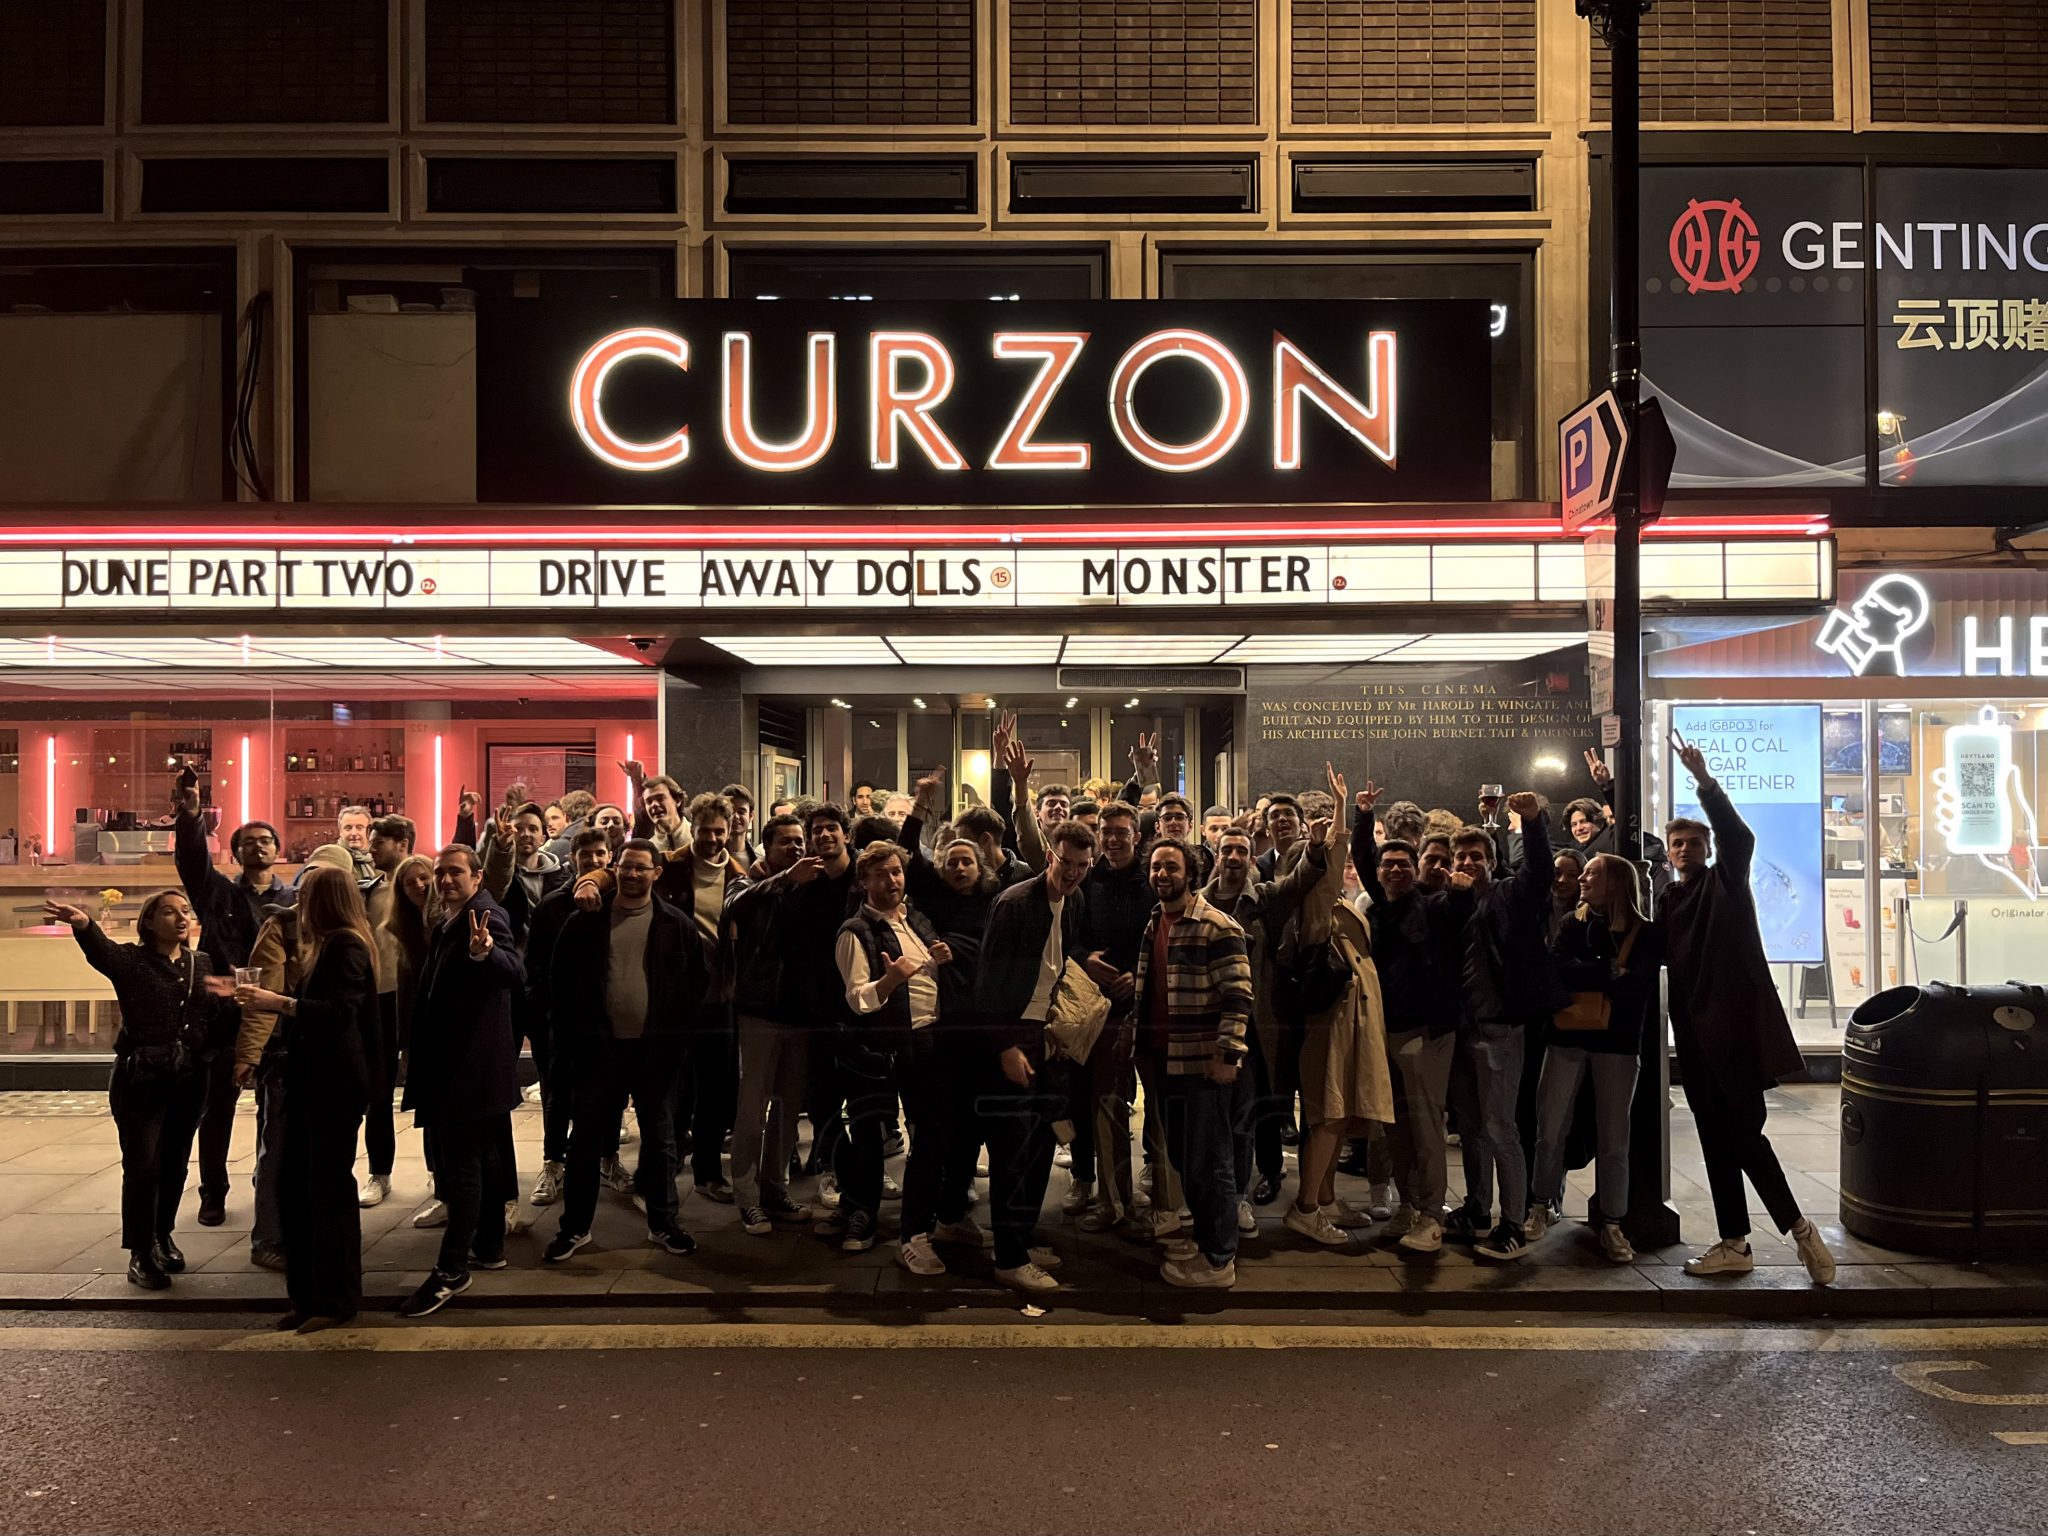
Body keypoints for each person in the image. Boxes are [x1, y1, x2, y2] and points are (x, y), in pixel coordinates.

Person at [1664, 734, 1836, 1284]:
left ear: (1708, 849)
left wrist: (1705, 782)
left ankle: (1800, 1230)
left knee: (1743, 1138)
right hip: (1694, 1041)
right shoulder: (1669, 900)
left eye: (1693, 842)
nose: (1684, 850)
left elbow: (1740, 837)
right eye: (1677, 844)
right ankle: (1734, 1242)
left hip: (1735, 1038)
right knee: (1717, 1140)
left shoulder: (1726, 884)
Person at [47, 891, 224, 1291]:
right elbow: (102, 953)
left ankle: (163, 1237)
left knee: (175, 1165)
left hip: (189, 1079)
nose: (181, 918)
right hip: (141, 1080)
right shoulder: (133, 961)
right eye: (169, 911)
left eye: (185, 911)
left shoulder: (201, 964)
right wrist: (84, 925)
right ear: (148, 923)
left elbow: (212, 1014)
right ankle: (140, 1252)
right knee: (143, 1167)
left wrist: (212, 1049)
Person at [544, 840, 704, 1264]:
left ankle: (663, 1223)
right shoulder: (586, 922)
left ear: (657, 873)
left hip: (656, 1054)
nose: (632, 875)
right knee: (586, 1143)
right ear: (615, 869)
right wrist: (573, 1042)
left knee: (661, 1141)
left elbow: (694, 988)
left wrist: (677, 1042)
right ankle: (575, 1228)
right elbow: (559, 985)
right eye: (626, 867)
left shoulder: (676, 924)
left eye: (641, 868)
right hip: (599, 1053)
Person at [231, 867, 376, 1331]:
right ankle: (307, 1296)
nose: (298, 903)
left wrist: (276, 1003)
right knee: (294, 1188)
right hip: (308, 1081)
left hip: (333, 1085)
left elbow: (339, 1013)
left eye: (307, 894)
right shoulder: (325, 945)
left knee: (328, 1192)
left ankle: (337, 1301)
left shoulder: (348, 945)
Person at [397, 846, 524, 1318]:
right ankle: (489, 1247)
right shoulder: (453, 917)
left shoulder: (485, 916)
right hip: (468, 1069)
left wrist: (484, 954)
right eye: (439, 873)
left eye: (455, 873)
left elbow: (514, 973)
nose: (445, 880)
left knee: (462, 1170)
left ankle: (452, 1269)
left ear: (476, 877)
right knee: (484, 1161)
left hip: (468, 1073)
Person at [975, 819, 1098, 1291]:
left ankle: (1021, 1239)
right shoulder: (1013, 904)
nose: (1072, 874)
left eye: (1082, 867)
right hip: (1015, 1031)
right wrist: (1005, 1043)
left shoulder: (1077, 900)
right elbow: (987, 983)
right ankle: (1008, 1256)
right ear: (1051, 855)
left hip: (1048, 1032)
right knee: (1012, 1146)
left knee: (1042, 1141)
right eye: (1065, 863)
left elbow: (1059, 960)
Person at [833, 842, 968, 1266]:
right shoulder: (855, 932)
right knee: (877, 1139)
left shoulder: (916, 918)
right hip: (887, 1049)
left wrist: (942, 955)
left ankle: (923, 1225)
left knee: (932, 1137)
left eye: (896, 872)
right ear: (863, 882)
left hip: (930, 1041)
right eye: (880, 875)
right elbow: (858, 999)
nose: (891, 881)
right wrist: (889, 981)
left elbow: (928, 976)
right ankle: (892, 1227)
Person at [1351, 786, 1472, 1253]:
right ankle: (1406, 1205)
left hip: (1426, 1033)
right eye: (1388, 864)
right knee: (1395, 1125)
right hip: (1386, 1031)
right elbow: (1363, 857)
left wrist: (1459, 888)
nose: (1396, 869)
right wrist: (1363, 815)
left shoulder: (1435, 906)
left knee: (1425, 1126)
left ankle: (1430, 1214)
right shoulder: (1381, 908)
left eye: (1405, 863)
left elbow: (1459, 912)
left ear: (1418, 867)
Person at [171, 766, 291, 1229]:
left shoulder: (296, 898)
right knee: (216, 1111)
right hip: (223, 1017)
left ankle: (269, 1182)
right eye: (248, 842)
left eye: (265, 841)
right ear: (237, 851)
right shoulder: (217, 892)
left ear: (277, 851)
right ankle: (212, 1193)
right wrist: (191, 814)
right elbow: (191, 861)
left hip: (275, 1017)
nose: (257, 847)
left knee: (275, 1108)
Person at [1134, 838, 1254, 1289]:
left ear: (1192, 873)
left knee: (1211, 1162)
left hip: (1204, 1065)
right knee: (1188, 1160)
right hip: (1167, 1062)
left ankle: (1219, 1258)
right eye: (1156, 867)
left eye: (1172, 867)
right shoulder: (1155, 923)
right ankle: (1206, 1240)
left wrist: (1228, 1057)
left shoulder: (1216, 926)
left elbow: (1239, 997)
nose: (1162, 874)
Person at [1446, 795, 1561, 1263]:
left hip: (1500, 1029)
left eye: (1477, 856)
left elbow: (1540, 872)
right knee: (1471, 1127)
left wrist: (1533, 823)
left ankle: (1512, 1223)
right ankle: (1477, 1210)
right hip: (1461, 1029)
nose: (1469, 863)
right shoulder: (1449, 901)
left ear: (1493, 862)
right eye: (1462, 857)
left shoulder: (1511, 894)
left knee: (1500, 1127)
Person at [1531, 852, 1662, 1263]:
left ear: (1617, 883)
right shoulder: (1574, 923)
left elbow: (1637, 990)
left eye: (1591, 873)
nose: (1581, 879)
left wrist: (1588, 971)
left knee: (1614, 1138)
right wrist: (1607, 972)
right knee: (1549, 1126)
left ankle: (1612, 1223)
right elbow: (1554, 970)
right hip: (1567, 1037)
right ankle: (1541, 1205)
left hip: (1618, 1043)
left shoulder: (1645, 932)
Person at [236, 843, 357, 1270]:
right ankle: (269, 1238)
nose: (307, 892)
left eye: (320, 883)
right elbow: (261, 999)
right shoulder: (284, 928)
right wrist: (248, 1054)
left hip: (324, 1063)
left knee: (308, 1154)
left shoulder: (345, 938)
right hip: (286, 1059)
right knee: (277, 1151)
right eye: (305, 882)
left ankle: (300, 1234)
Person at [1285, 767, 1394, 1246]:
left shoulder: (1338, 904)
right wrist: (1341, 809)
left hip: (1352, 1020)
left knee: (1343, 1109)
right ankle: (1306, 1206)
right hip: (1331, 1020)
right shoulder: (1314, 905)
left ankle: (1326, 1197)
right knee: (1328, 1111)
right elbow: (1331, 860)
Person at [1202, 818, 1330, 1217]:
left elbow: (1298, 883)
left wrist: (1315, 847)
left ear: (1251, 857)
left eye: (1242, 850)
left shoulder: (1262, 898)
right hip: (1213, 1020)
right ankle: (1224, 1181)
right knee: (1223, 1107)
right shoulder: (1199, 902)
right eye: (1227, 850)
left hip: (1260, 1018)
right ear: (1217, 857)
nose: (1235, 857)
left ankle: (1269, 1172)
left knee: (1266, 1101)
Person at [1074, 800, 1162, 1241]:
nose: (1111, 839)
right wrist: (1086, 960)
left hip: (1155, 1009)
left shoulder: (1156, 882)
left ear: (1137, 837)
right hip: (1105, 1009)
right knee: (1108, 1106)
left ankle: (1166, 1204)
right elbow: (1068, 941)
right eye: (1105, 831)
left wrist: (1139, 977)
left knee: (1162, 1111)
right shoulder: (1086, 884)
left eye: (1120, 832)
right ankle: (1112, 1202)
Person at [726, 814, 816, 1233]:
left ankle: (775, 1188)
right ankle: (746, 1195)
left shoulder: (809, 885)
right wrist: (783, 881)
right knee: (752, 1106)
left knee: (788, 1107)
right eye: (786, 842)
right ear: (767, 847)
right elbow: (734, 907)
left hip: (798, 1014)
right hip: (759, 1010)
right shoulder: (750, 883)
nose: (796, 848)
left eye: (800, 841)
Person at [524, 827, 614, 1206]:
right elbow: (537, 963)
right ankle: (553, 1162)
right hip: (562, 1016)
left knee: (609, 1093)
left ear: (609, 857)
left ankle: (609, 1159)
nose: (592, 860)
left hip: (608, 1015)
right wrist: (545, 1010)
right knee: (556, 1093)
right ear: (572, 857)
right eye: (585, 854)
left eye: (599, 853)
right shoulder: (553, 905)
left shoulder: (621, 900)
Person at [779, 804, 858, 1206]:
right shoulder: (803, 884)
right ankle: (832, 1168)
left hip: (863, 1003)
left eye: (832, 829)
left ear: (846, 834)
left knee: (864, 1097)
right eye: (817, 831)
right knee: (824, 1094)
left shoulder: (864, 878)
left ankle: (863, 1170)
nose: (824, 836)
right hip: (818, 1004)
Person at [359, 813, 413, 1209]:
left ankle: (439, 1176)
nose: (370, 847)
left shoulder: (422, 883)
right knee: (377, 1092)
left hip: (414, 997)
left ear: (402, 843)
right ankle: (380, 1172)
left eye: (379, 841)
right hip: (376, 997)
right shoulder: (367, 890)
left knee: (430, 1089)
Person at [336, 804, 375, 882]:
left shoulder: (378, 858)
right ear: (340, 831)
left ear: (369, 831)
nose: (353, 833)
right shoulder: (333, 857)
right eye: (348, 828)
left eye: (359, 827)